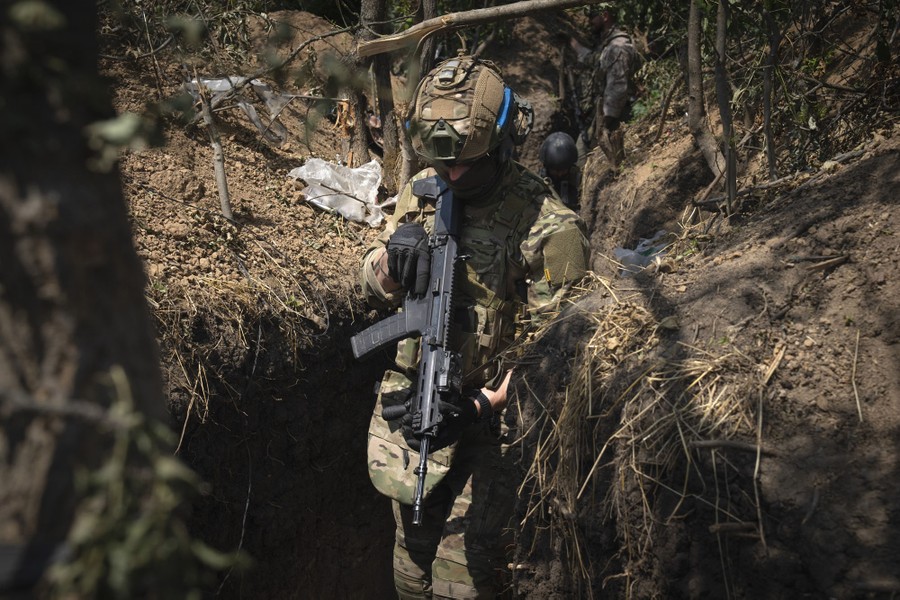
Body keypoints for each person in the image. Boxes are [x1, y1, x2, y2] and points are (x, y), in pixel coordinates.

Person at [358, 54, 590, 599]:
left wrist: (486, 403)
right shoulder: (421, 190)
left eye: (468, 164)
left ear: (505, 140)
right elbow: (364, 286)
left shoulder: (552, 229)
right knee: (410, 563)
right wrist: (391, 263)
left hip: (495, 429)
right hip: (415, 407)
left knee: (463, 574)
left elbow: (557, 358)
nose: (454, 176)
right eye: (445, 166)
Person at [569, 7, 639, 169]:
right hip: (605, 117)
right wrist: (574, 45)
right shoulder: (610, 45)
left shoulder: (617, 48)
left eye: (593, 17)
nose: (589, 22)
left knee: (580, 155)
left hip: (614, 119)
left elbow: (617, 92)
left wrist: (601, 127)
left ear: (605, 16)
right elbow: (596, 60)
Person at [538, 131, 582, 209]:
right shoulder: (540, 182)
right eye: (555, 171)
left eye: (563, 170)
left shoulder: (579, 181)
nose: (559, 175)